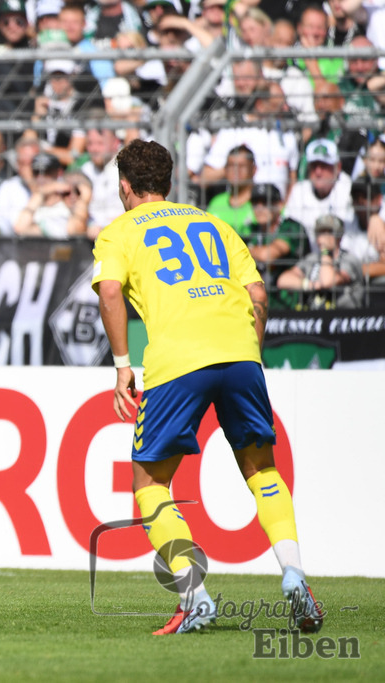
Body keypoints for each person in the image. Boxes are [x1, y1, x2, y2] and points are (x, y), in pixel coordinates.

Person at [92, 139, 323, 635]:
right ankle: (295, 574)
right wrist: (249, 355)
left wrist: (121, 367)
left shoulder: (119, 231)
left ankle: (194, 597)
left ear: (125, 187)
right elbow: (257, 293)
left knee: (150, 483)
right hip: (241, 352)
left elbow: (110, 290)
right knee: (262, 469)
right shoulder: (215, 224)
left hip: (178, 360)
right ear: (170, 184)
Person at [276, 215, 366, 309]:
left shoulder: (349, 260)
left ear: (339, 236)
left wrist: (325, 251)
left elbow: (327, 282)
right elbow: (283, 280)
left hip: (344, 317)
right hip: (314, 317)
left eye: (329, 232)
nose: (323, 237)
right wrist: (310, 285)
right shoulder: (311, 259)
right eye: (321, 233)